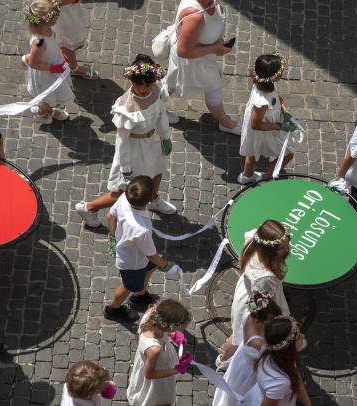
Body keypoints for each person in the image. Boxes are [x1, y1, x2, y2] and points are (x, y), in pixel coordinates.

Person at [75, 54, 175, 228]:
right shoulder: (126, 107)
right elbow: (122, 142)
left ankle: (153, 199)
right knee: (129, 190)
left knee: (157, 171)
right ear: (131, 81)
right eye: (138, 84)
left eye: (147, 84)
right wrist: (126, 169)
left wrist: (165, 137)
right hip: (134, 151)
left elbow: (161, 115)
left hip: (153, 143)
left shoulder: (156, 91)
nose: (143, 89)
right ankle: (89, 208)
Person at [104, 176, 180, 323]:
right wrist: (165, 265)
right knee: (127, 286)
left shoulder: (124, 199)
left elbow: (109, 216)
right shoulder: (141, 230)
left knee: (150, 268)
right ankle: (113, 310)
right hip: (133, 262)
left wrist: (114, 237)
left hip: (137, 256)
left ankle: (140, 295)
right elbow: (151, 255)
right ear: (150, 199)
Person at [162, 0, 242, 135]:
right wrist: (216, 48)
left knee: (170, 84)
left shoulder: (211, 3)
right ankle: (226, 123)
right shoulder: (195, 16)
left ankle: (151, 107)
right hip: (193, 63)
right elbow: (184, 51)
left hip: (202, 59)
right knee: (212, 87)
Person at [225, 220, 296, 367]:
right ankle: (225, 362)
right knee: (242, 339)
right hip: (257, 302)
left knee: (238, 335)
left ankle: (225, 359)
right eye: (282, 248)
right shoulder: (266, 277)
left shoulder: (253, 239)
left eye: (287, 243)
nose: (287, 249)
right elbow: (265, 304)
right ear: (270, 251)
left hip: (247, 289)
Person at [213, 291, 282, 405]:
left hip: (239, 360)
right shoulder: (257, 343)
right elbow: (259, 365)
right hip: (249, 370)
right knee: (240, 390)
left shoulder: (248, 317)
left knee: (232, 383)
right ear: (258, 322)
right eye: (270, 322)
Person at [238, 54, 296, 184]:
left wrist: (285, 110)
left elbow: (277, 97)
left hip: (266, 128)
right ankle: (268, 175)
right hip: (264, 130)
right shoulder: (262, 102)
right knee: (288, 153)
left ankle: (246, 175)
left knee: (252, 151)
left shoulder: (265, 84)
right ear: (273, 76)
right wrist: (280, 126)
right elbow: (255, 124)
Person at [127, 299, 192, 406]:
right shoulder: (154, 349)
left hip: (150, 359)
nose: (180, 330)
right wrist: (177, 369)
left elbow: (137, 337)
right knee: (158, 400)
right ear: (169, 327)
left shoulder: (152, 312)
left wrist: (173, 335)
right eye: (178, 328)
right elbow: (149, 374)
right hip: (158, 374)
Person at [22, 0, 74, 125]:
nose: (57, 19)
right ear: (45, 22)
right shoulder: (39, 42)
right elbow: (33, 63)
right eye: (54, 19)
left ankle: (47, 108)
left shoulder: (48, 29)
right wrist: (54, 68)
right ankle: (43, 111)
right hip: (46, 73)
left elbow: (52, 45)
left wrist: (59, 55)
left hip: (53, 64)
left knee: (52, 94)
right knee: (46, 96)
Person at [255, 316, 311, 406]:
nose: (303, 336)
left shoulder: (281, 356)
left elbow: (295, 375)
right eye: (298, 337)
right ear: (288, 347)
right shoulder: (279, 383)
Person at [54, 0, 99, 80]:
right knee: (67, 43)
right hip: (62, 16)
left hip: (68, 11)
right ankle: (73, 67)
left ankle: (66, 60)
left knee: (68, 42)